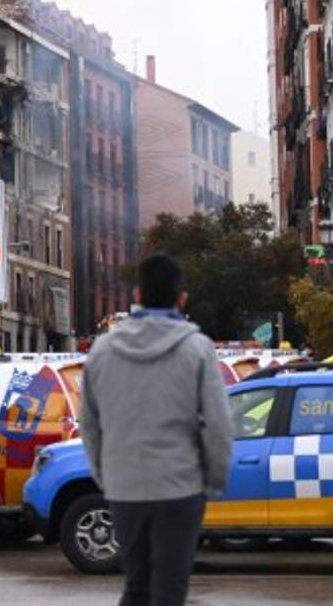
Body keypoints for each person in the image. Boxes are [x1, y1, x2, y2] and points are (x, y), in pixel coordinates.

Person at [80, 254, 233, 606]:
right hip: (179, 486)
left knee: (136, 585)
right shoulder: (197, 349)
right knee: (169, 588)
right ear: (182, 299)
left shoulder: (102, 351)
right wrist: (213, 480)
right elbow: (219, 425)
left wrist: (106, 475)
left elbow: (89, 424)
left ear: (136, 296)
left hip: (124, 487)